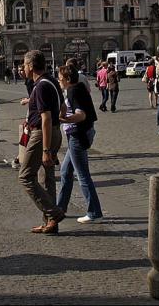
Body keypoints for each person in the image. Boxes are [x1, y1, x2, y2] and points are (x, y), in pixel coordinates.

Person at [19, 49, 65, 234]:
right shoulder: (52, 81)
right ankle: (50, 223)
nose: (22, 68)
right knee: (47, 178)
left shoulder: (40, 86)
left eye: (24, 64)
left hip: (42, 135)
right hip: (54, 132)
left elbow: (45, 118)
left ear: (31, 65)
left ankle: (54, 213)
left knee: (26, 176)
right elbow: (61, 108)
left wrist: (46, 150)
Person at [55, 64, 103, 224]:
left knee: (82, 175)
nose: (59, 81)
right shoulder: (80, 86)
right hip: (82, 133)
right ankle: (60, 207)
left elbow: (81, 115)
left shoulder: (73, 91)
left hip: (78, 135)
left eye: (61, 79)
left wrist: (64, 119)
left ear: (68, 79)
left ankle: (94, 211)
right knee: (65, 171)